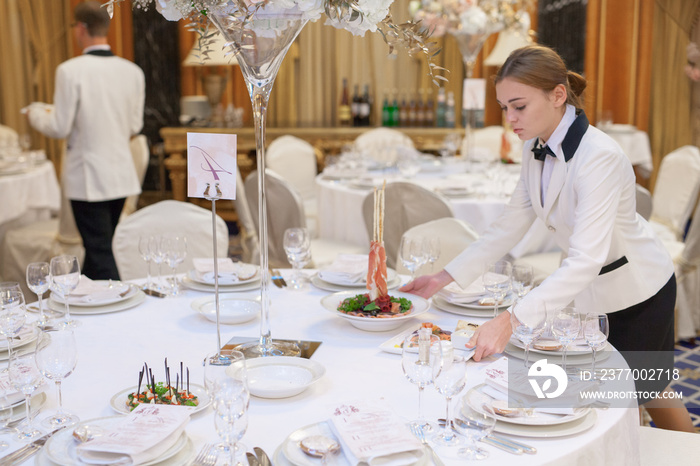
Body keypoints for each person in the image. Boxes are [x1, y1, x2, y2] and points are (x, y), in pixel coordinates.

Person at [401, 45, 694, 432]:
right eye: (504, 107)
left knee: (631, 399)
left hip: (636, 292)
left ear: (558, 95)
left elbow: (587, 258)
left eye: (518, 106)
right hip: (589, 296)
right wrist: (442, 278)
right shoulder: (533, 147)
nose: (510, 119)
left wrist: (511, 320)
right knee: (638, 394)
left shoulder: (599, 156)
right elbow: (508, 225)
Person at [27, 1, 145, 280]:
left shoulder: (70, 70)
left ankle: (120, 307)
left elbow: (59, 126)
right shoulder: (133, 71)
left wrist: (34, 113)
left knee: (101, 253)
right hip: (120, 177)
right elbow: (135, 125)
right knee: (97, 251)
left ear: (80, 28)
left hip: (88, 178)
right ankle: (86, 304)